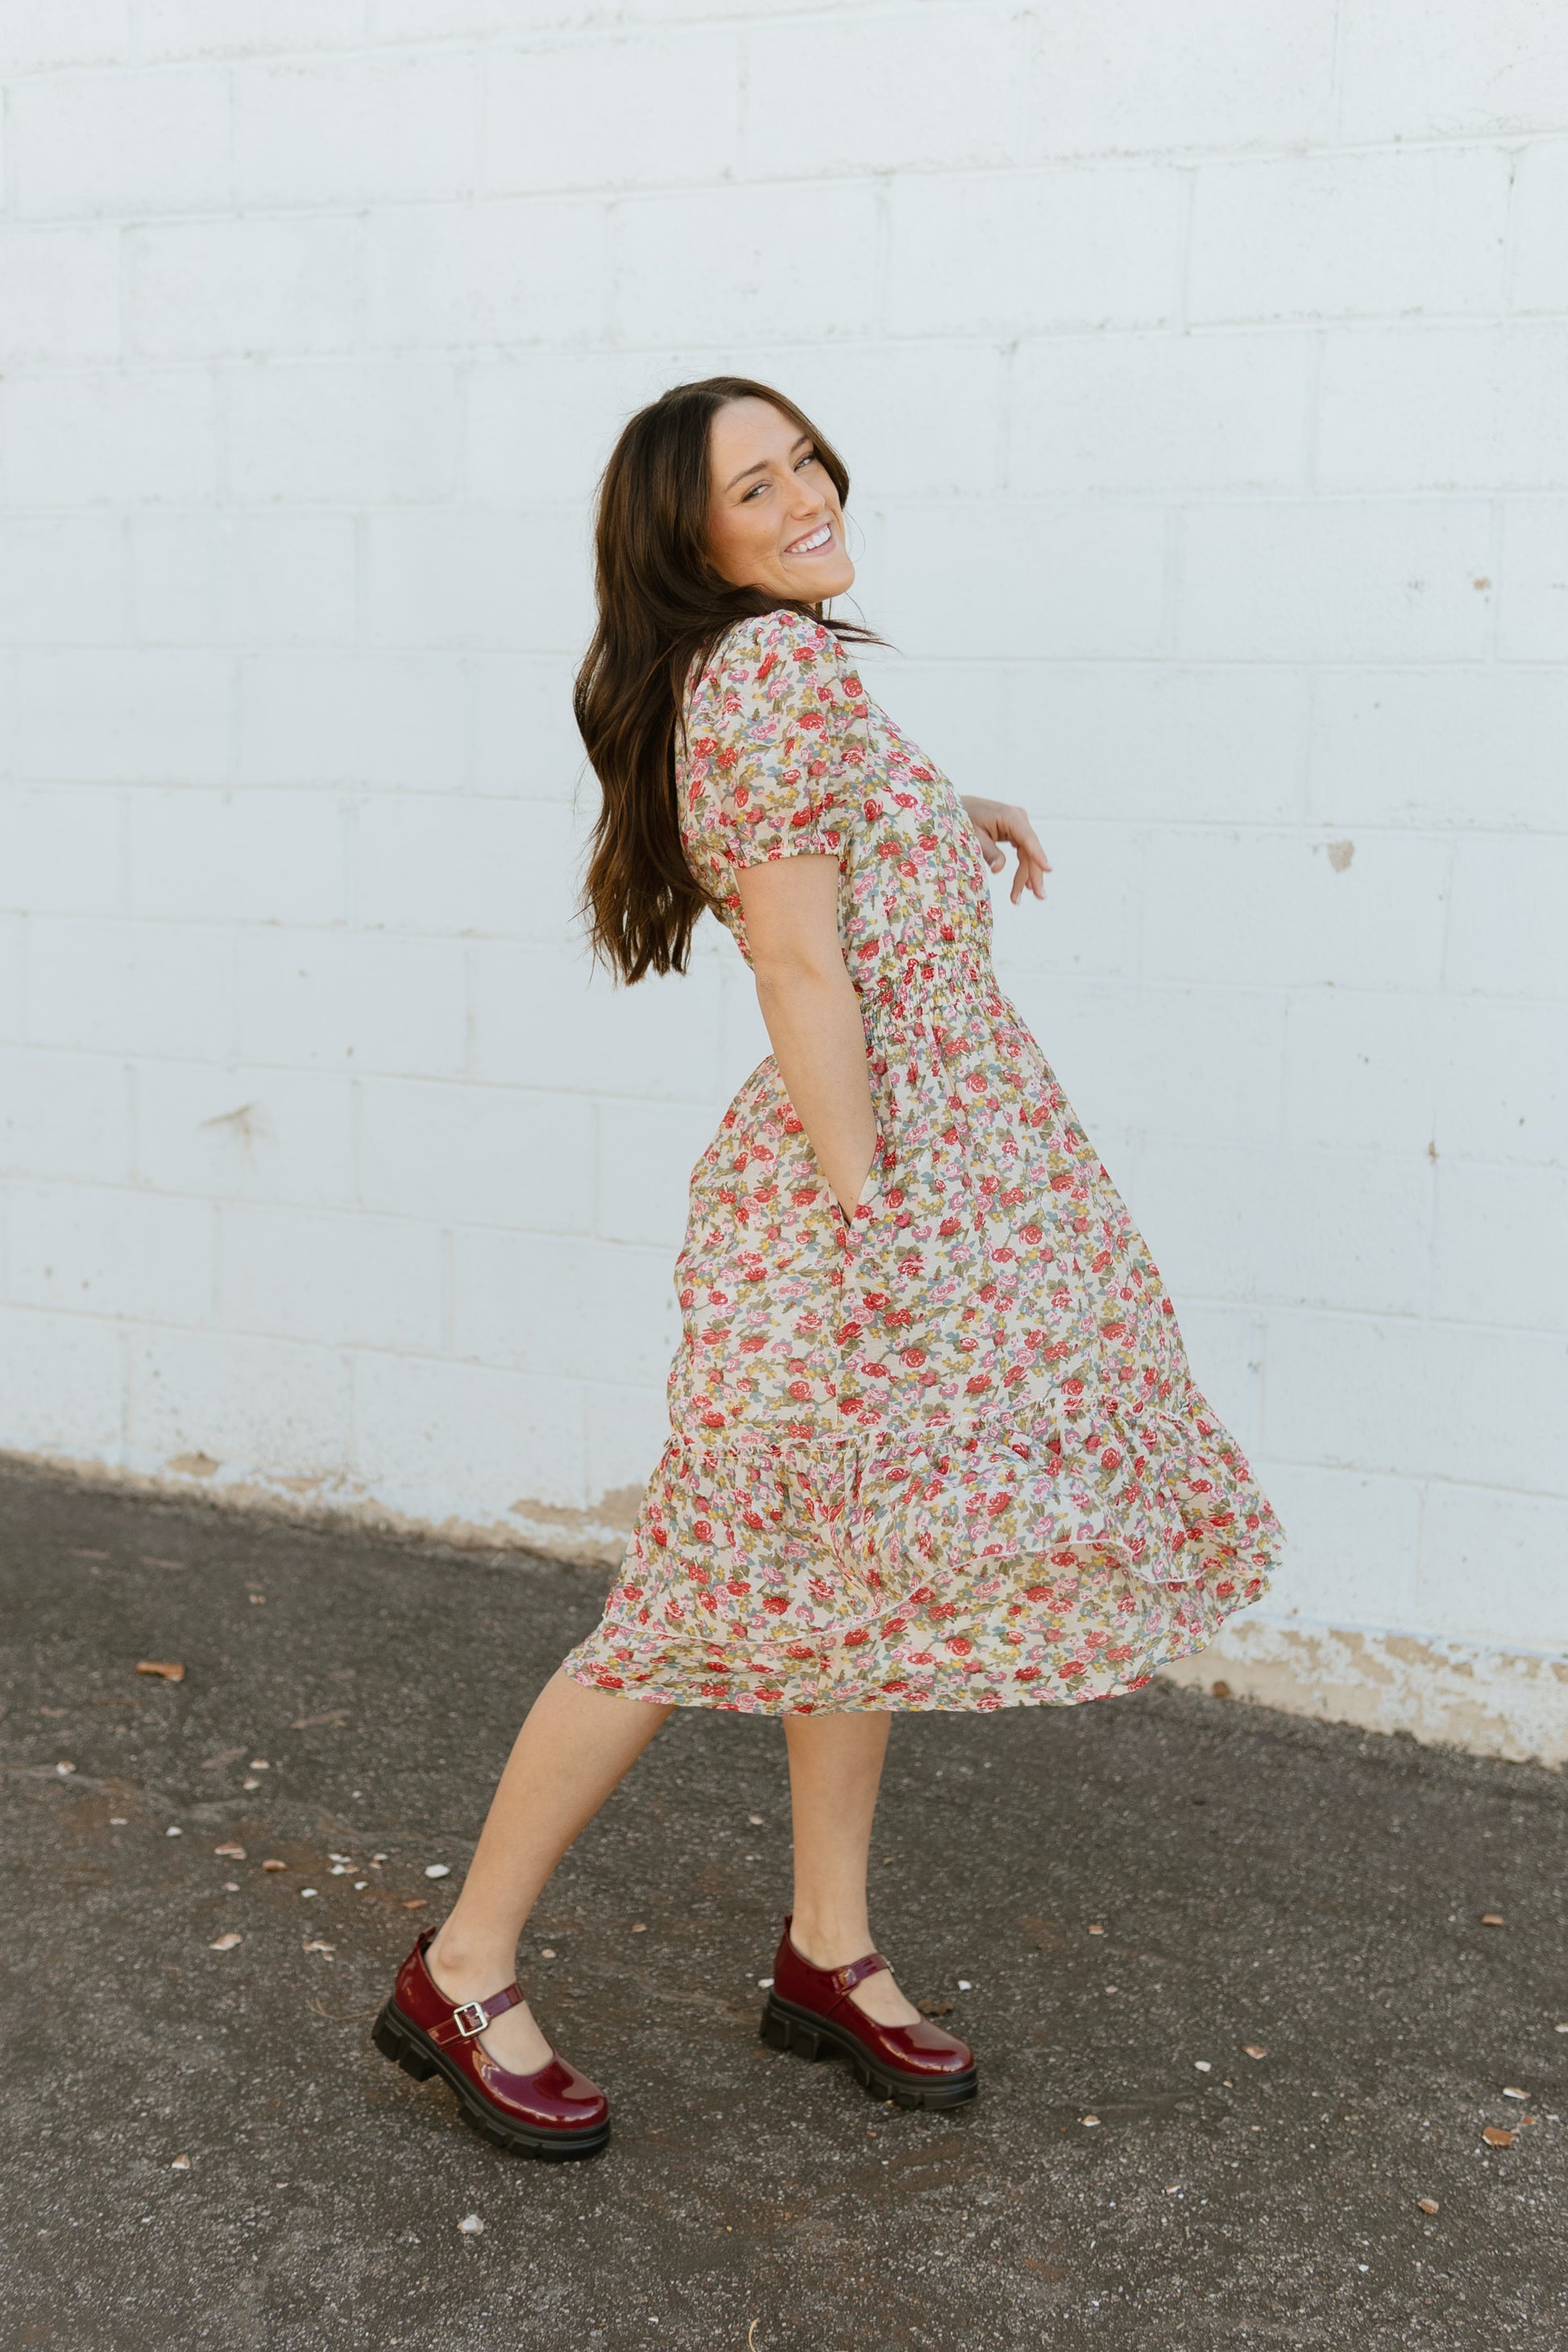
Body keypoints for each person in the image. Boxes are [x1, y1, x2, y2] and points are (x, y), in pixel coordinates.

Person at [373, 376, 1283, 2159]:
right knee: (690, 1594)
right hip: (855, 1208)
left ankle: (827, 1947)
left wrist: (964, 816)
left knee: (847, 1572)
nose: (801, 494)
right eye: (752, 483)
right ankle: (460, 1964)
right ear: (686, 539)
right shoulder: (772, 673)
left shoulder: (776, 673)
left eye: (804, 459)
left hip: (892, 1180)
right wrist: (883, 1229)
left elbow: (829, 863)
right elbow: (799, 968)